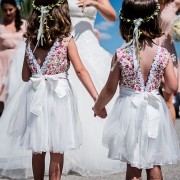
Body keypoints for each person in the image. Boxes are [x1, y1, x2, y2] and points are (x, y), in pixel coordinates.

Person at [0, 0, 104, 179]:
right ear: (61, 14)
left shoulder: (31, 42)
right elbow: (80, 70)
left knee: (37, 148)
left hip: (36, 97)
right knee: (57, 148)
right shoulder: (66, 41)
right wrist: (97, 98)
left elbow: (25, 76)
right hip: (59, 99)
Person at [93, 0, 180, 179]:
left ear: (125, 22)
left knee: (133, 164)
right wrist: (158, 80)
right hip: (154, 110)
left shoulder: (121, 54)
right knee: (154, 163)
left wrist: (98, 106)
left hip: (129, 112)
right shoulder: (162, 53)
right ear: (154, 20)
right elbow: (173, 87)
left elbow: (110, 89)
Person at [62, 0, 125, 176]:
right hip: (68, 41)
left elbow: (112, 17)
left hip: (90, 43)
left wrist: (94, 3)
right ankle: (64, 151)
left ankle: (89, 150)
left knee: (97, 83)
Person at [156, 0, 180, 123]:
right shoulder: (148, 3)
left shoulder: (176, 2)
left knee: (167, 100)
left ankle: (169, 140)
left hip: (167, 52)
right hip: (148, 50)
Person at [0, 0, 26, 115]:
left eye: (10, 9)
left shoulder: (24, 24)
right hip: (3, 63)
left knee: (17, 93)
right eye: (5, 10)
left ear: (16, 8)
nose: (8, 12)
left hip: (20, 62)